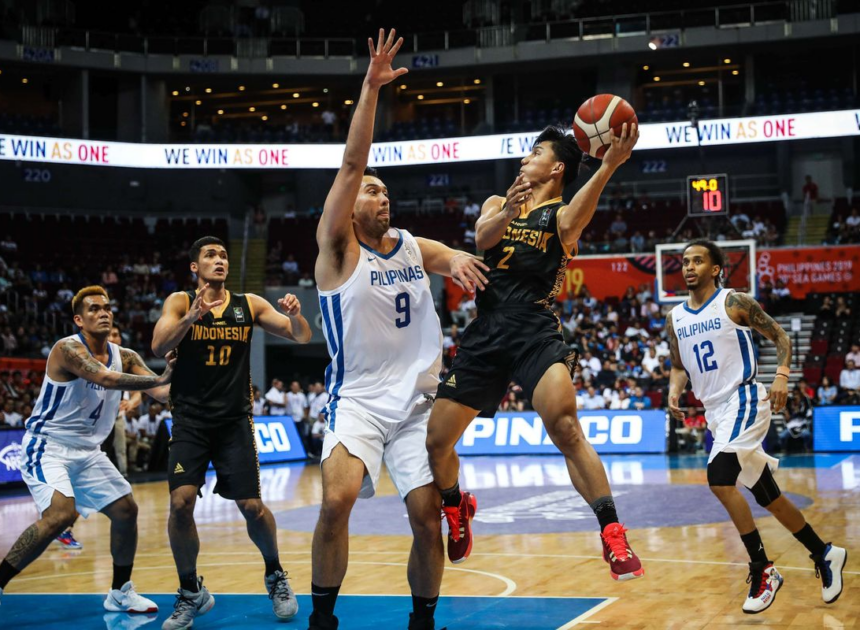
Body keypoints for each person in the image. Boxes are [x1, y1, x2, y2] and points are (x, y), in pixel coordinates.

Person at [309, 28, 489, 630]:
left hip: (416, 404)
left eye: (386, 189)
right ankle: (324, 618)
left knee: (423, 517)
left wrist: (460, 261)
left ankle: (423, 620)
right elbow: (354, 160)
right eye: (371, 189)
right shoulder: (335, 249)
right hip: (357, 400)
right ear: (349, 202)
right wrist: (370, 86)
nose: (381, 194)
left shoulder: (411, 244)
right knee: (336, 503)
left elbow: (445, 257)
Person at [425, 121, 644, 581]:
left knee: (565, 427)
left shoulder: (562, 214)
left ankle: (612, 533)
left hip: (534, 330)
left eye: (535, 152)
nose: (526, 157)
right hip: (485, 332)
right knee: (437, 441)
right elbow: (483, 239)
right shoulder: (497, 202)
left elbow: (576, 220)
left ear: (557, 166)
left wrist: (606, 167)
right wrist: (509, 208)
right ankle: (456, 505)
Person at [666, 240, 847, 614]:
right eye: (685, 261)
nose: (688, 267)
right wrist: (674, 391)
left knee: (719, 477)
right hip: (716, 413)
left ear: (715, 269)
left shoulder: (734, 302)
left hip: (745, 398)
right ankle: (825, 553)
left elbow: (781, 337)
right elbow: (679, 365)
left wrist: (782, 375)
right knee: (769, 497)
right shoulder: (675, 319)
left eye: (697, 261)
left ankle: (762, 567)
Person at [151, 236, 312, 629]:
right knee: (180, 503)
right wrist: (190, 319)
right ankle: (191, 591)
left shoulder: (249, 304)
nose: (219, 260)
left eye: (223, 255)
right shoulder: (179, 302)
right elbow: (158, 346)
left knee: (253, 508)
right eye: (210, 255)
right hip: (190, 419)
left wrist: (296, 314)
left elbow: (302, 336)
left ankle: (275, 575)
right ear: (195, 267)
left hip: (233, 422)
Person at [0, 285, 174, 615]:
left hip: (88, 452)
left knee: (126, 511)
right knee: (61, 515)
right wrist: (160, 378)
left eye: (107, 307)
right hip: (48, 446)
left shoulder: (127, 355)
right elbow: (106, 379)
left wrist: (186, 369)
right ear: (79, 319)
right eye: (94, 309)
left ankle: (120, 592)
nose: (104, 312)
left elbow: (163, 393)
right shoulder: (67, 349)